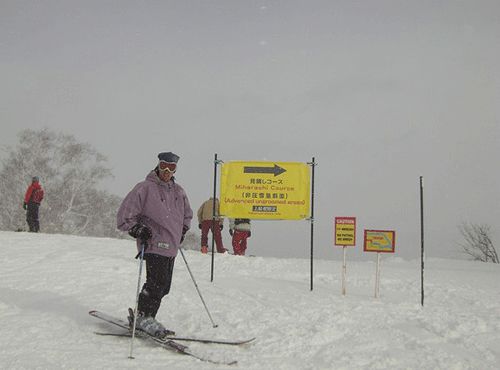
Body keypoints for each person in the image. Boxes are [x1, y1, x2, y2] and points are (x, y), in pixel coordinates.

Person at [117, 151, 193, 338]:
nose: (167, 170)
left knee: (164, 286)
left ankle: (147, 316)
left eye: (172, 167)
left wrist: (182, 230)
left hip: (171, 246)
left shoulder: (179, 191)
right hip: (153, 243)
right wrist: (137, 229)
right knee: (156, 283)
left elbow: (187, 214)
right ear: (158, 166)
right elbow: (125, 215)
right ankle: (144, 317)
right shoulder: (144, 188)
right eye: (164, 166)